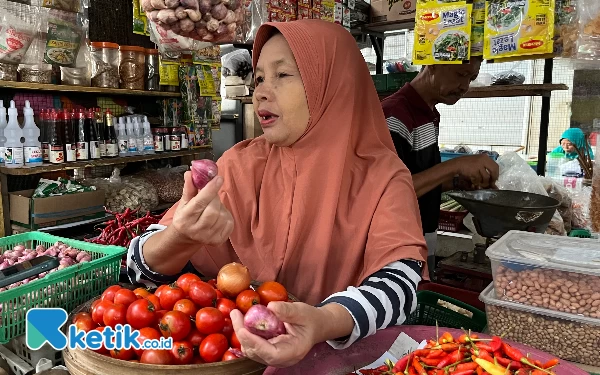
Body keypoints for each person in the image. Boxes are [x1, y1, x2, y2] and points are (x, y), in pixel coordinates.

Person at [127, 20, 428, 368]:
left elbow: (400, 287)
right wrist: (180, 236)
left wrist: (321, 323)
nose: (260, 92)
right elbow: (136, 271)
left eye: (282, 75)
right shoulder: (239, 165)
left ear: (334, 84)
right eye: (258, 79)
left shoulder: (384, 177)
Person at [381, 60, 499, 276]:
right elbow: (388, 193)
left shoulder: (429, 113)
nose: (465, 86)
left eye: (471, 79)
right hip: (396, 248)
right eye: (460, 74)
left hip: (423, 237)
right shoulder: (395, 116)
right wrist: (456, 165)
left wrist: (456, 182)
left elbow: (419, 178)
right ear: (432, 64)